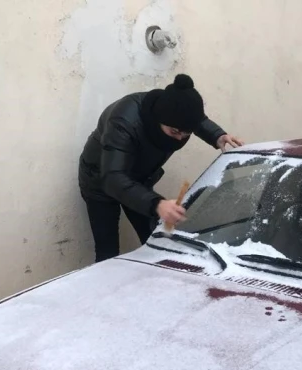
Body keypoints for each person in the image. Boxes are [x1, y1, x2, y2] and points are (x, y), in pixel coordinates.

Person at [78, 73, 244, 262]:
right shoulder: (124, 120)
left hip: (138, 181)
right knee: (107, 249)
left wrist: (217, 135)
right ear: (158, 119)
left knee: (156, 241)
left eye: (186, 133)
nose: (180, 138)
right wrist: (157, 204)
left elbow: (196, 121)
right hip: (101, 179)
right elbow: (113, 178)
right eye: (174, 132)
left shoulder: (178, 114)